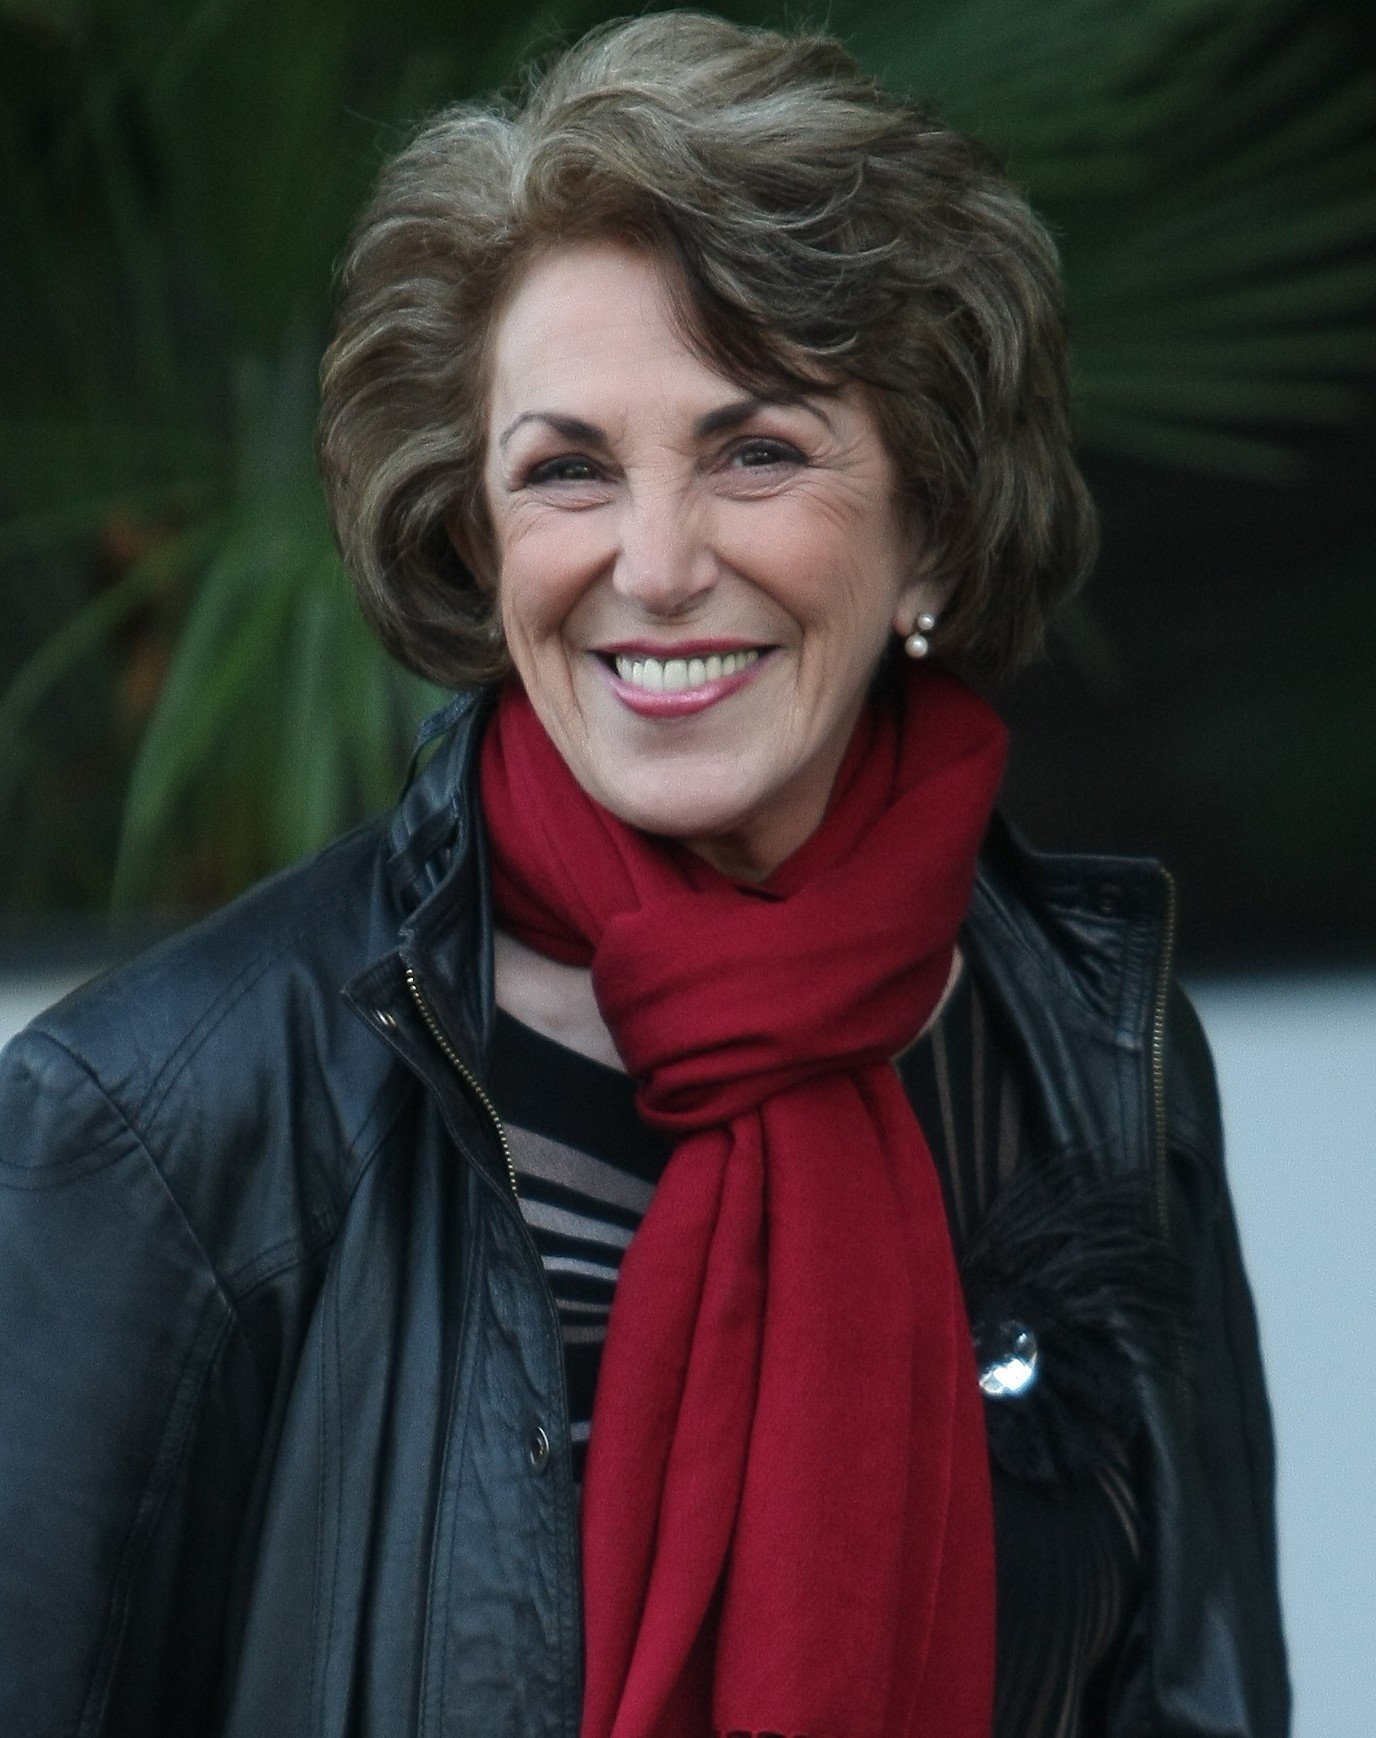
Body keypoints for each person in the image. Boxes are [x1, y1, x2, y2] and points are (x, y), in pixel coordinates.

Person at [0, 14, 1287, 1737]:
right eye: (567, 470)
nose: (657, 564)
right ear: (477, 538)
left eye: (757, 449)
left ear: (932, 520)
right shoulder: (165, 1124)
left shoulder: (1090, 1056)